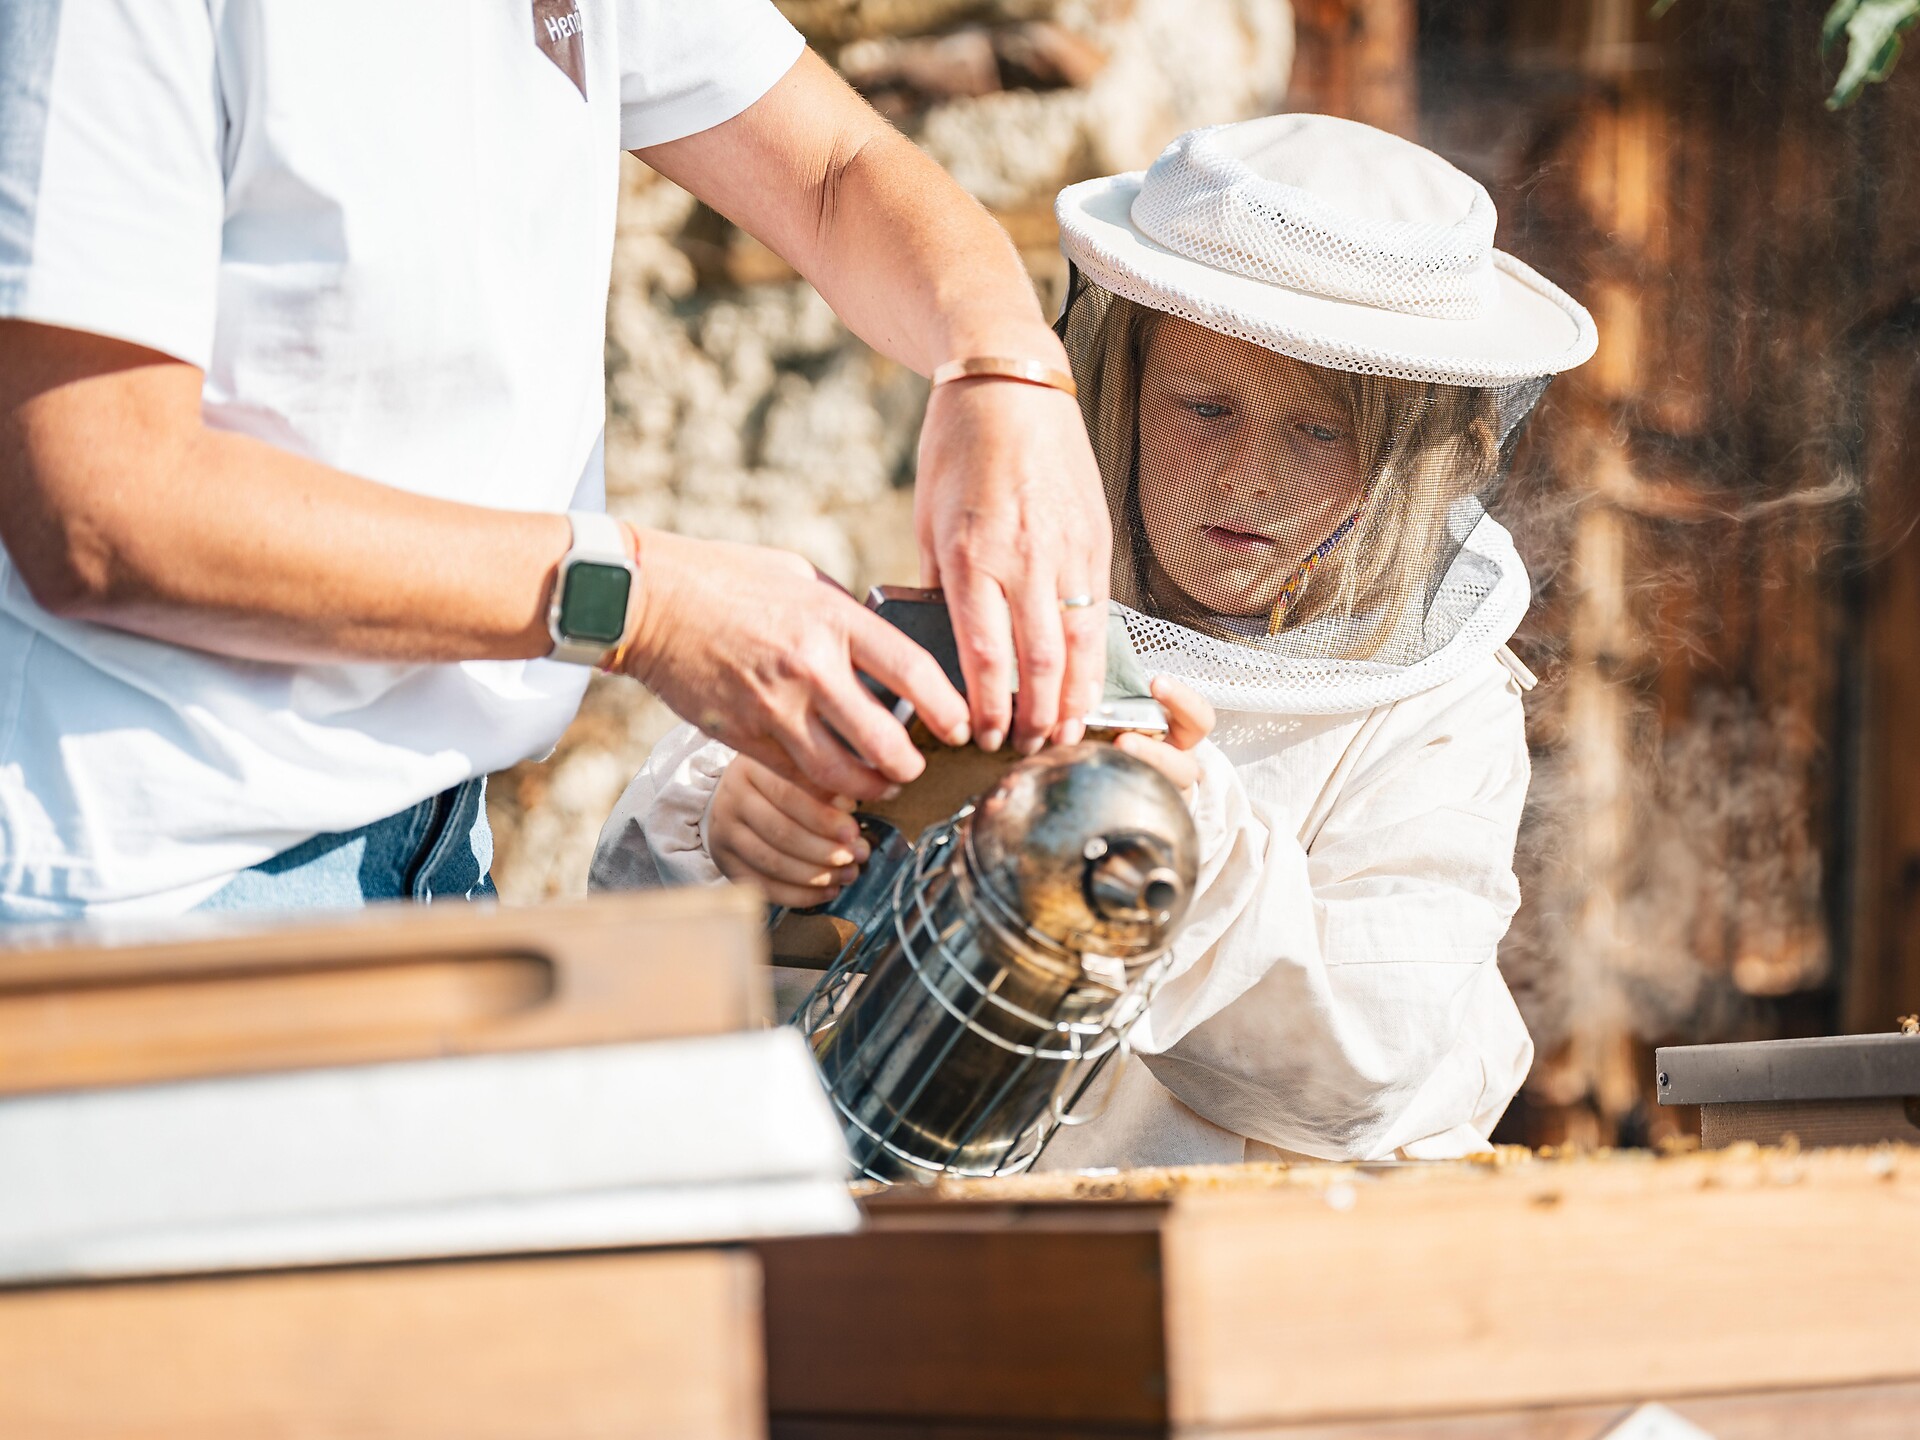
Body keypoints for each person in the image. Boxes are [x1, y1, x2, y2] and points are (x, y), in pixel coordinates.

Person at [591, 114, 1598, 1163]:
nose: (1247, 479)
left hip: (1248, 1277)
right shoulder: (1013, 599)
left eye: (1319, 430)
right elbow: (638, 944)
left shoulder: (1441, 714)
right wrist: (738, 825)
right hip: (917, 1255)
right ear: (1119, 385)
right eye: (1205, 408)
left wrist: (1176, 840)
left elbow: (1368, 1056)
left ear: (1421, 457)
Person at [0, 1, 1110, 921]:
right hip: (143, 889)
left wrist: (1003, 367)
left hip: (434, 854)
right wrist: (644, 603)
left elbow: (832, 169)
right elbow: (99, 507)